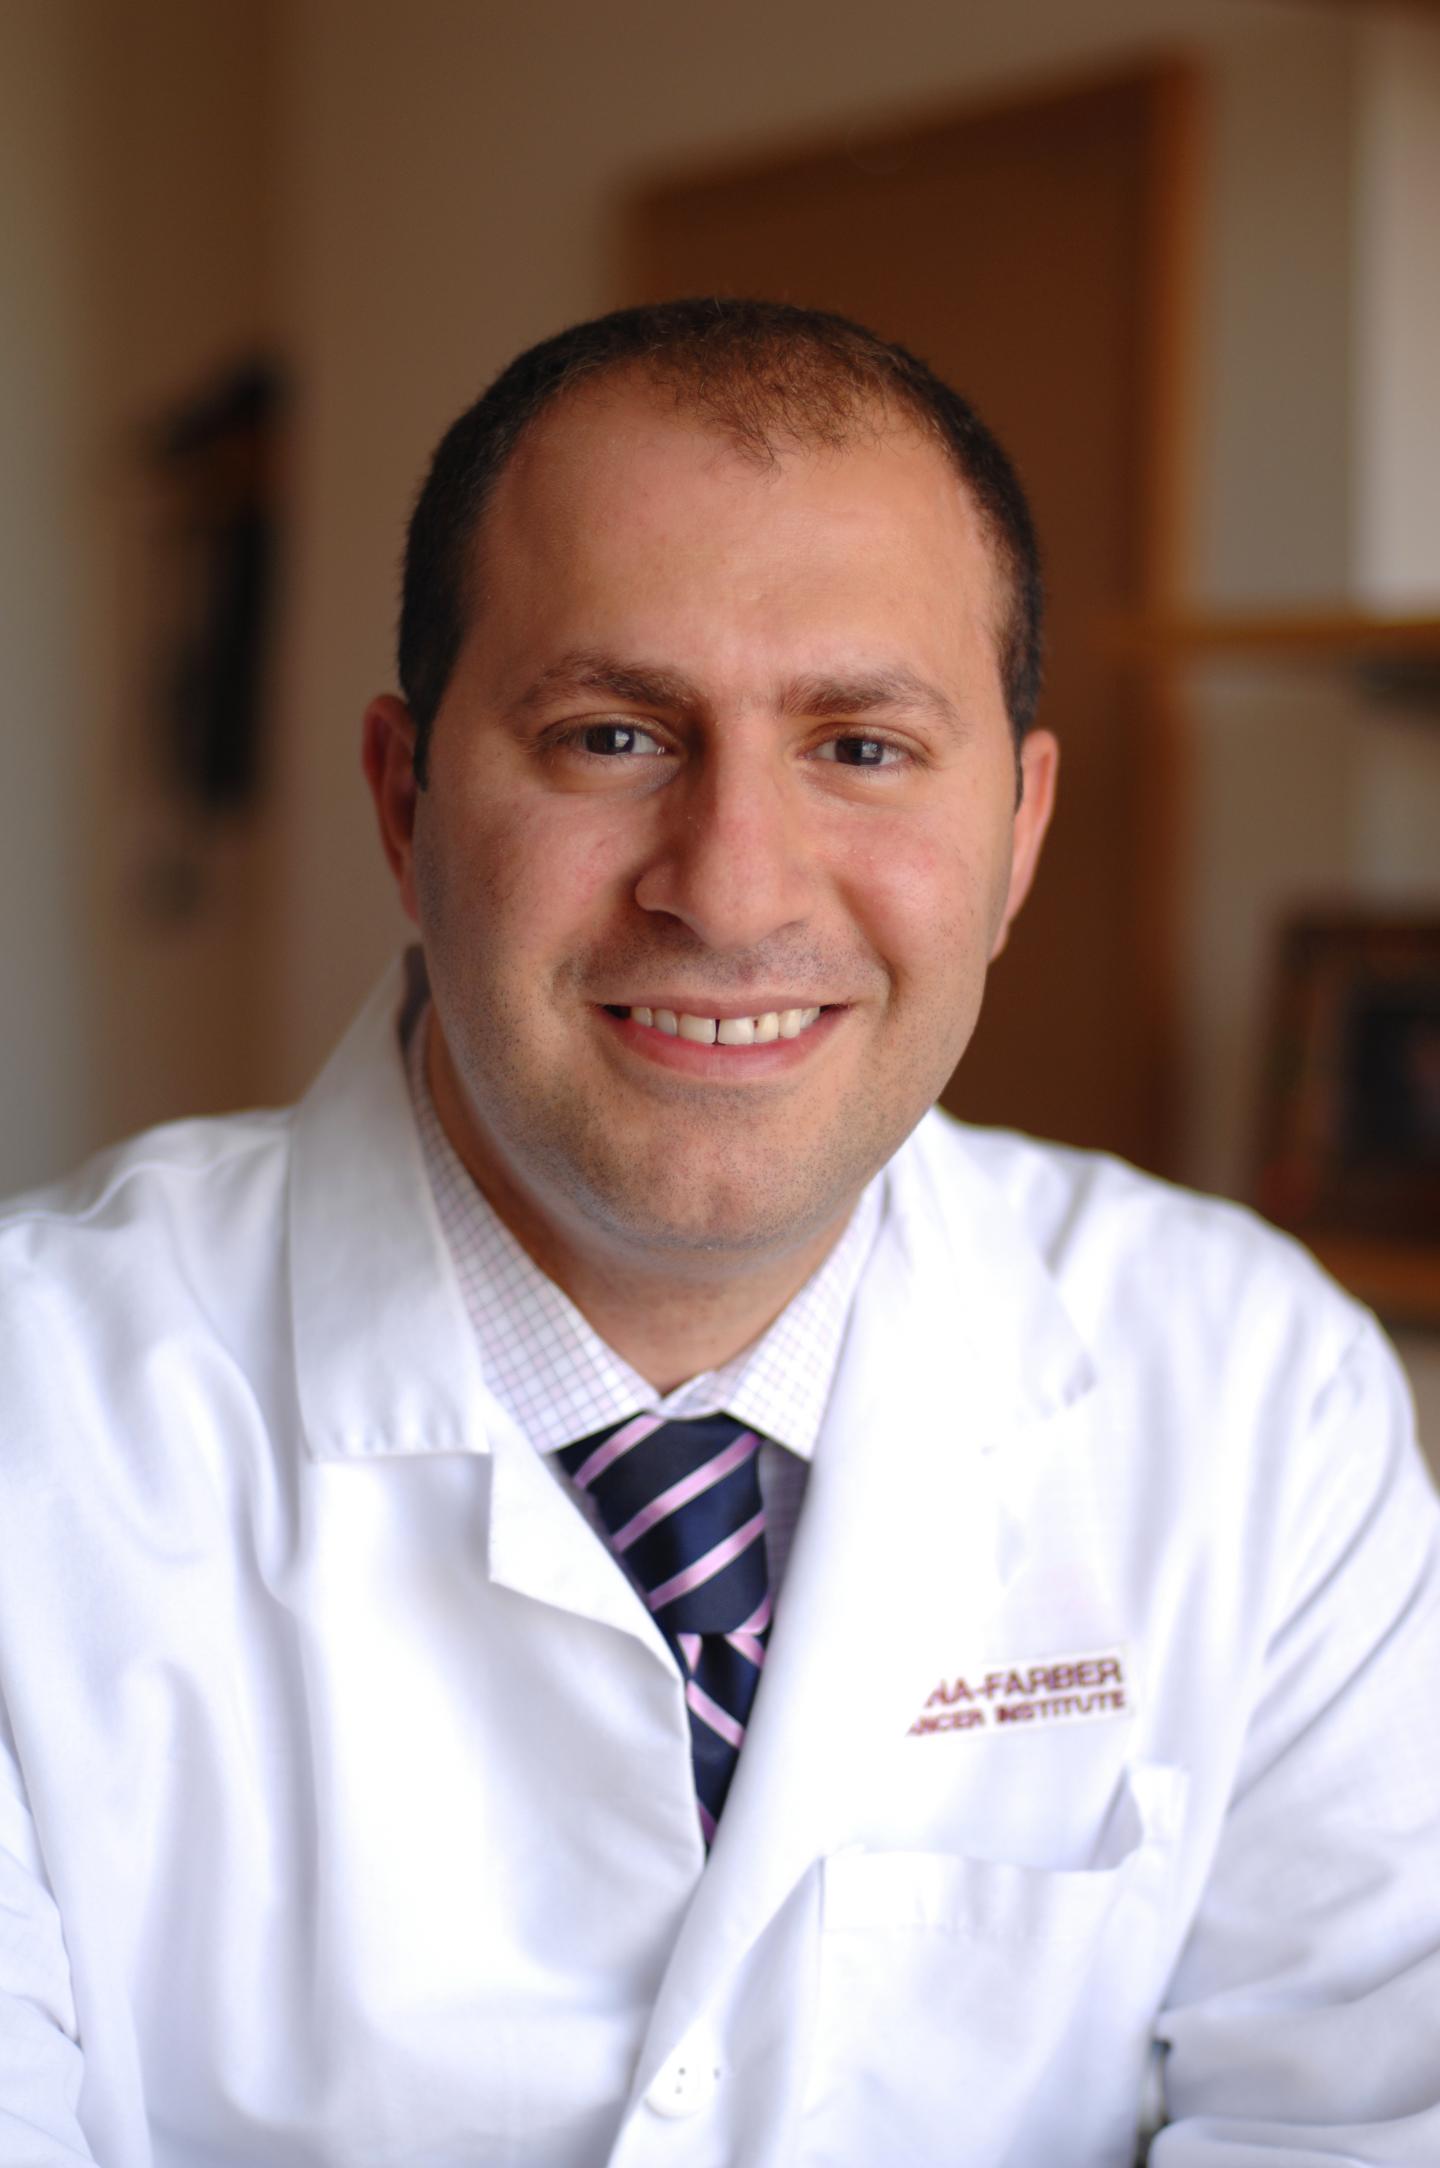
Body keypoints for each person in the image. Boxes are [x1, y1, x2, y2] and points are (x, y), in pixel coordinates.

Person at [1, 299, 1437, 2168]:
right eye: (611, 735)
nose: (734, 889)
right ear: (404, 803)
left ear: (1017, 834)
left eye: (862, 746)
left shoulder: (1258, 1395)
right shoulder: (37, 1415)